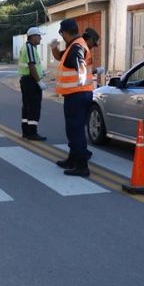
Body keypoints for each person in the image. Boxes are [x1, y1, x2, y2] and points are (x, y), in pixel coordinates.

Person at [49, 19, 94, 177]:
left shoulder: (76, 47)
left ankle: (82, 166)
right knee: (73, 129)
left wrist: (81, 75)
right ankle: (72, 159)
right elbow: (61, 57)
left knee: (76, 131)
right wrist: (54, 48)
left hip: (77, 94)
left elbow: (79, 62)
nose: (61, 37)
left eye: (61, 34)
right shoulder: (74, 44)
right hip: (77, 94)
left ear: (65, 32)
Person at [18, 26, 47, 141]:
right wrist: (39, 81)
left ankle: (26, 131)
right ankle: (32, 132)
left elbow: (33, 66)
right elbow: (31, 65)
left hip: (26, 80)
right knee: (34, 107)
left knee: (27, 106)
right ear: (33, 37)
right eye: (39, 36)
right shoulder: (30, 48)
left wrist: (41, 73)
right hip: (31, 81)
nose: (40, 38)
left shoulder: (27, 47)